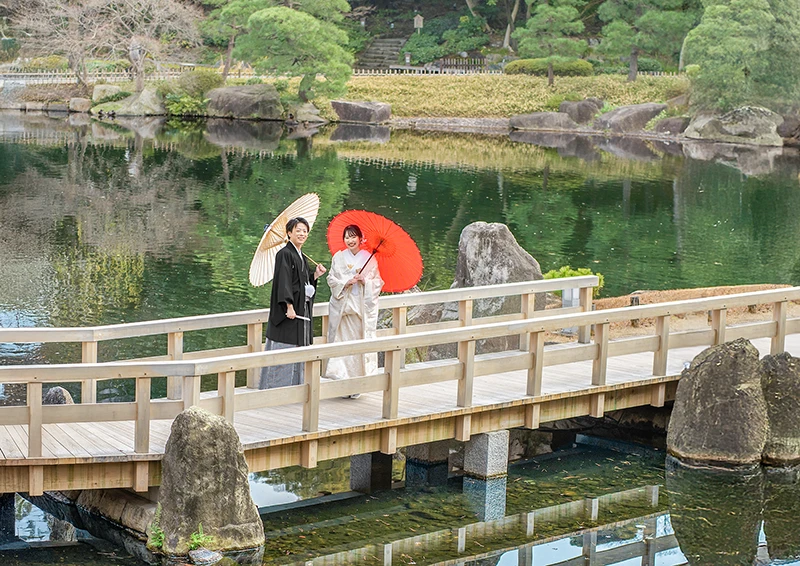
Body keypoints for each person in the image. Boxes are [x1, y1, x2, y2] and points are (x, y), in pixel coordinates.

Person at [260, 217, 326, 389]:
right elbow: (284, 282)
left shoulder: (301, 256)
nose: (302, 234)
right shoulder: (284, 254)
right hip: (288, 314)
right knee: (284, 352)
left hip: (301, 312)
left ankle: (296, 389)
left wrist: (315, 276)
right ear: (289, 233)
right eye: (298, 230)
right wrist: (288, 305)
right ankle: (276, 390)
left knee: (298, 352)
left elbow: (303, 282)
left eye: (305, 231)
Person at [325, 224, 383, 396]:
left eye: (353, 237)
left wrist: (365, 282)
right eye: (347, 237)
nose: (350, 240)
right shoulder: (338, 257)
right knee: (341, 346)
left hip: (359, 311)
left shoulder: (369, 259)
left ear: (360, 238)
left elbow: (378, 283)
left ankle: (357, 385)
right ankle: (342, 383)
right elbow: (331, 279)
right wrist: (345, 282)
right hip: (343, 311)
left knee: (357, 348)